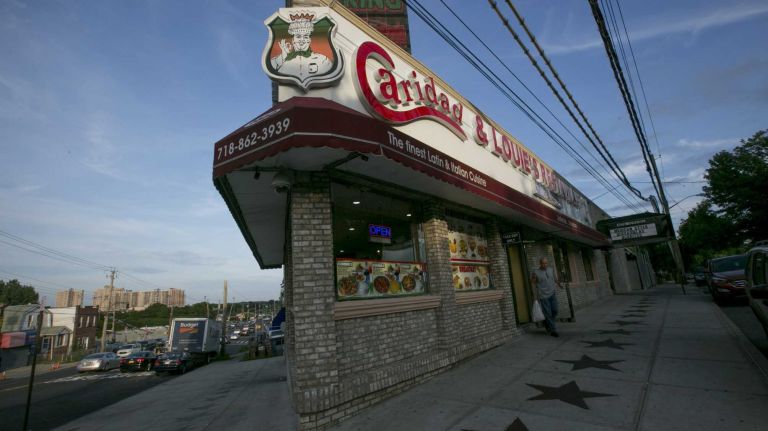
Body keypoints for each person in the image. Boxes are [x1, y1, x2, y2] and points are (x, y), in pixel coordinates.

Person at [270, 15, 332, 81]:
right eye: (298, 36)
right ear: (293, 40)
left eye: (305, 37)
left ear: (309, 40)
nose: (302, 40)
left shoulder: (322, 59)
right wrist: (283, 56)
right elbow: (271, 67)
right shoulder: (282, 60)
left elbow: (330, 73)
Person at [531, 257, 562, 337]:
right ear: (540, 264)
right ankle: (553, 330)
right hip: (543, 296)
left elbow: (555, 278)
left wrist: (559, 284)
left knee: (555, 310)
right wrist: (534, 295)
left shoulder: (550, 269)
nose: (545, 265)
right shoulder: (536, 272)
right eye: (543, 263)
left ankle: (547, 323)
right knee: (548, 313)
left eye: (546, 263)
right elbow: (533, 283)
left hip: (552, 294)